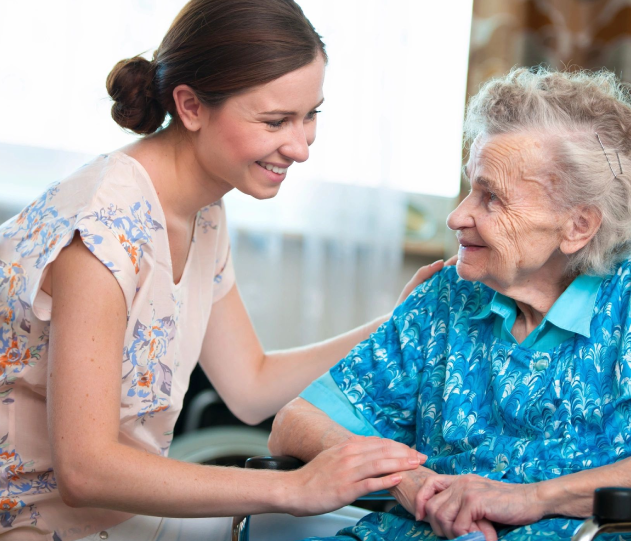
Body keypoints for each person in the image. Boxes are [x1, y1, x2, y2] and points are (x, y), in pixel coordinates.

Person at [0, 1, 451, 539]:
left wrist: (396, 322)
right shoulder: (103, 226)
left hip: (114, 522)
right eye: (275, 121)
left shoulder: (203, 209)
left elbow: (250, 385)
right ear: (190, 107)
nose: (301, 146)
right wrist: (295, 488)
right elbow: (85, 471)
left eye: (312, 115)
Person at [269, 67, 631, 541]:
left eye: (491, 197)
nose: (458, 216)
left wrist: (532, 498)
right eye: (469, 188)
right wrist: (409, 482)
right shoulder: (447, 297)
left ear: (578, 226)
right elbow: (296, 423)